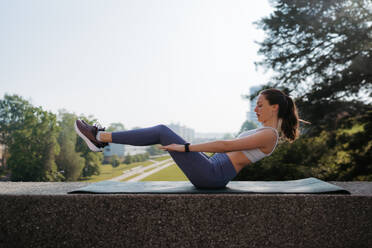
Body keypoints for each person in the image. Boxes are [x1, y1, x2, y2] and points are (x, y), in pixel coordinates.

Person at [75, 88, 305, 189]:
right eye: (255, 105)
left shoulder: (267, 135)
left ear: (274, 108)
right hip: (214, 168)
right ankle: (99, 138)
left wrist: (186, 148)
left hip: (213, 174)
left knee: (162, 131)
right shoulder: (264, 132)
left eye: (260, 105)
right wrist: (192, 150)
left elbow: (225, 146)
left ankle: (99, 137)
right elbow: (225, 149)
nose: (256, 109)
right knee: (162, 131)